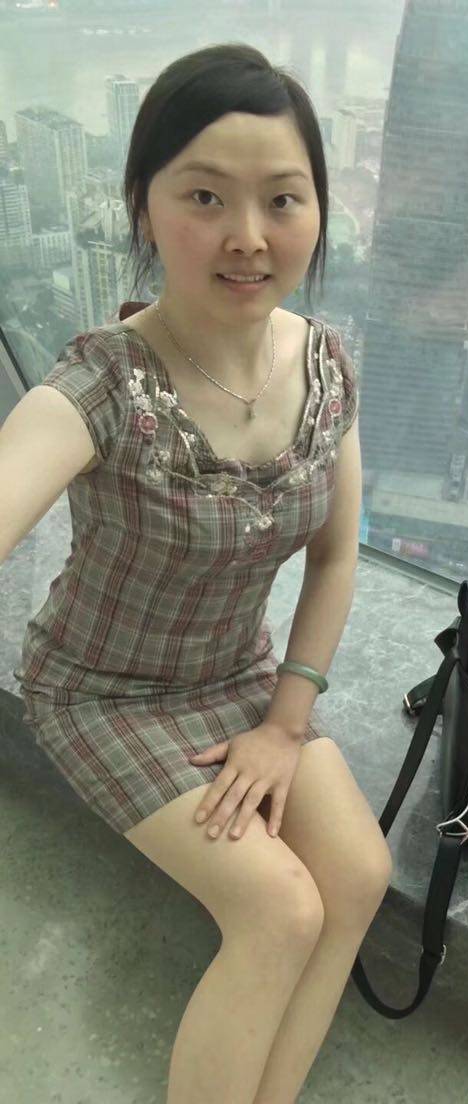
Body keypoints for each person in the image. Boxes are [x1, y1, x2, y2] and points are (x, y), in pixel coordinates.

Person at [3, 43, 392, 1104]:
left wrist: (285, 723)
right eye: (206, 196)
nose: (248, 236)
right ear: (144, 204)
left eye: (283, 199)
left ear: (319, 211)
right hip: (104, 692)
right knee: (281, 910)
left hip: (241, 681)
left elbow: (337, 554)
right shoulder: (103, 387)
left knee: (358, 875)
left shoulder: (323, 365)